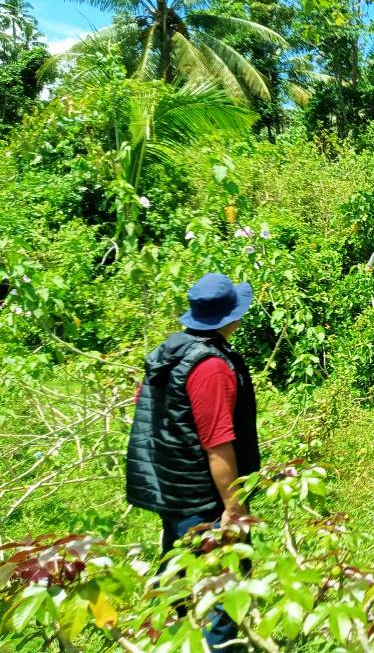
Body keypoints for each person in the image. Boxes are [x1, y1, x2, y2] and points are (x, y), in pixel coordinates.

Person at [126, 272, 260, 650]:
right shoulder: (212, 366)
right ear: (230, 318)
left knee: (178, 575)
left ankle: (174, 641)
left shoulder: (171, 350)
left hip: (174, 488)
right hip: (204, 498)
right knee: (225, 585)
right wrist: (233, 507)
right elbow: (218, 445)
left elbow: (150, 411)